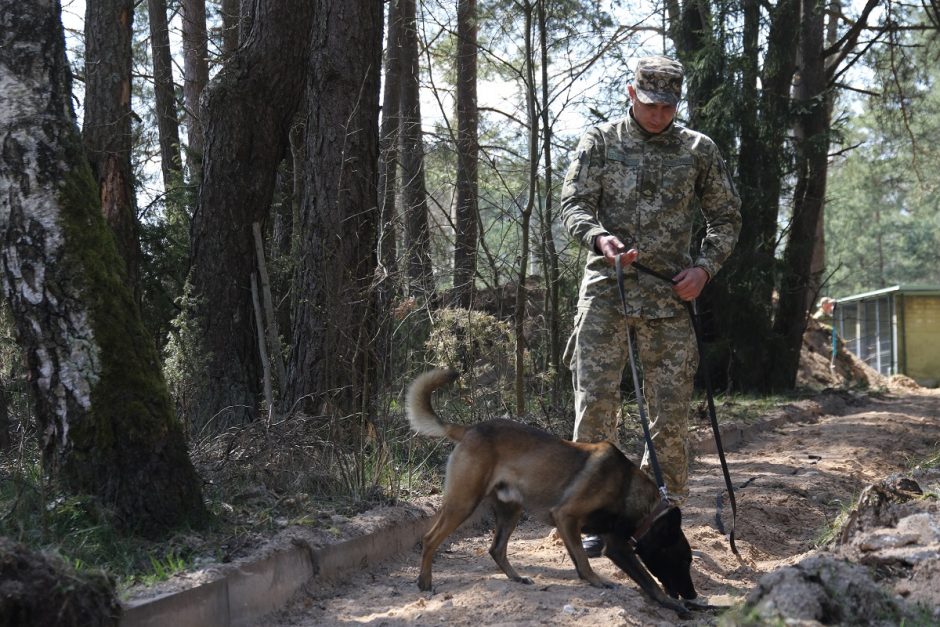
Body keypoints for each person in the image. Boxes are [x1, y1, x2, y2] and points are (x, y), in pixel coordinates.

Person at [559, 56, 741, 555]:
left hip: (669, 295)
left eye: (668, 105)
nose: (659, 113)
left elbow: (727, 217)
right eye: (650, 102)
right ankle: (593, 516)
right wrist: (600, 239)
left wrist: (704, 269)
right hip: (607, 287)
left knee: (669, 414)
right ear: (630, 93)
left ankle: (661, 515)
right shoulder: (599, 142)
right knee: (595, 404)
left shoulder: (698, 150)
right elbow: (573, 204)